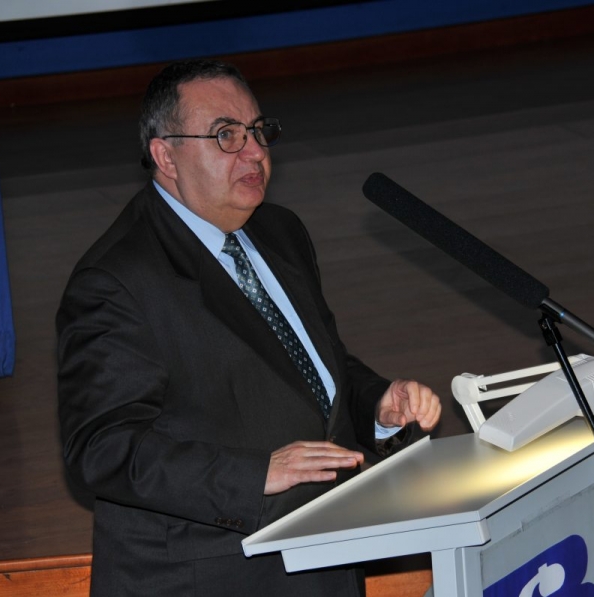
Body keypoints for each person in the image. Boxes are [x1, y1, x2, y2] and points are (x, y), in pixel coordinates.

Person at [56, 59, 441, 596]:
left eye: (258, 131)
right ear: (165, 156)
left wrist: (376, 405)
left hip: (321, 553)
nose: (254, 152)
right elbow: (102, 449)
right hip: (208, 576)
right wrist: (256, 473)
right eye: (226, 135)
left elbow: (312, 366)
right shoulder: (115, 281)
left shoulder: (281, 232)